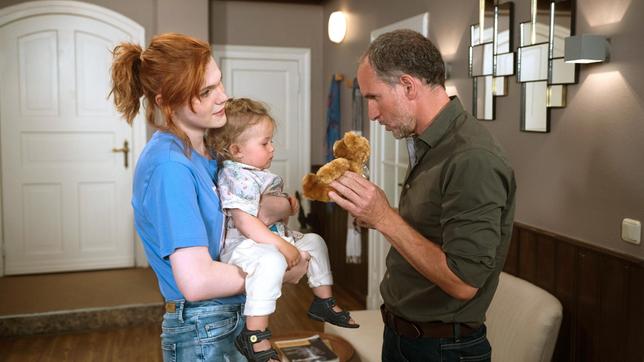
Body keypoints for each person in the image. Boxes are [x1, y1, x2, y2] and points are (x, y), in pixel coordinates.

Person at [110, 33, 309, 362]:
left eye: (219, 83)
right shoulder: (170, 167)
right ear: (165, 101)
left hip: (230, 317)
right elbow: (197, 281)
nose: (224, 97)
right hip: (203, 328)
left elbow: (245, 208)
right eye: (206, 91)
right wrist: (280, 268)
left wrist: (282, 206)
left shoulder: (209, 151)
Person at [328, 29, 517, 362]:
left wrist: (385, 218)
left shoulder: (471, 157)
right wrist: (375, 215)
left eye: (374, 98)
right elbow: (430, 228)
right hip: (403, 337)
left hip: (442, 350)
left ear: (408, 86)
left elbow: (463, 282)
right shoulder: (429, 144)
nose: (372, 114)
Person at [208, 97, 359, 362]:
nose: (272, 149)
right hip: (243, 246)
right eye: (265, 143)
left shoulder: (253, 171)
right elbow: (245, 222)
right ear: (236, 149)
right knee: (270, 260)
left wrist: (286, 224)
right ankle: (254, 334)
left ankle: (323, 301)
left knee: (314, 242)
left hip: (268, 238)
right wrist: (282, 244)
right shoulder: (236, 175)